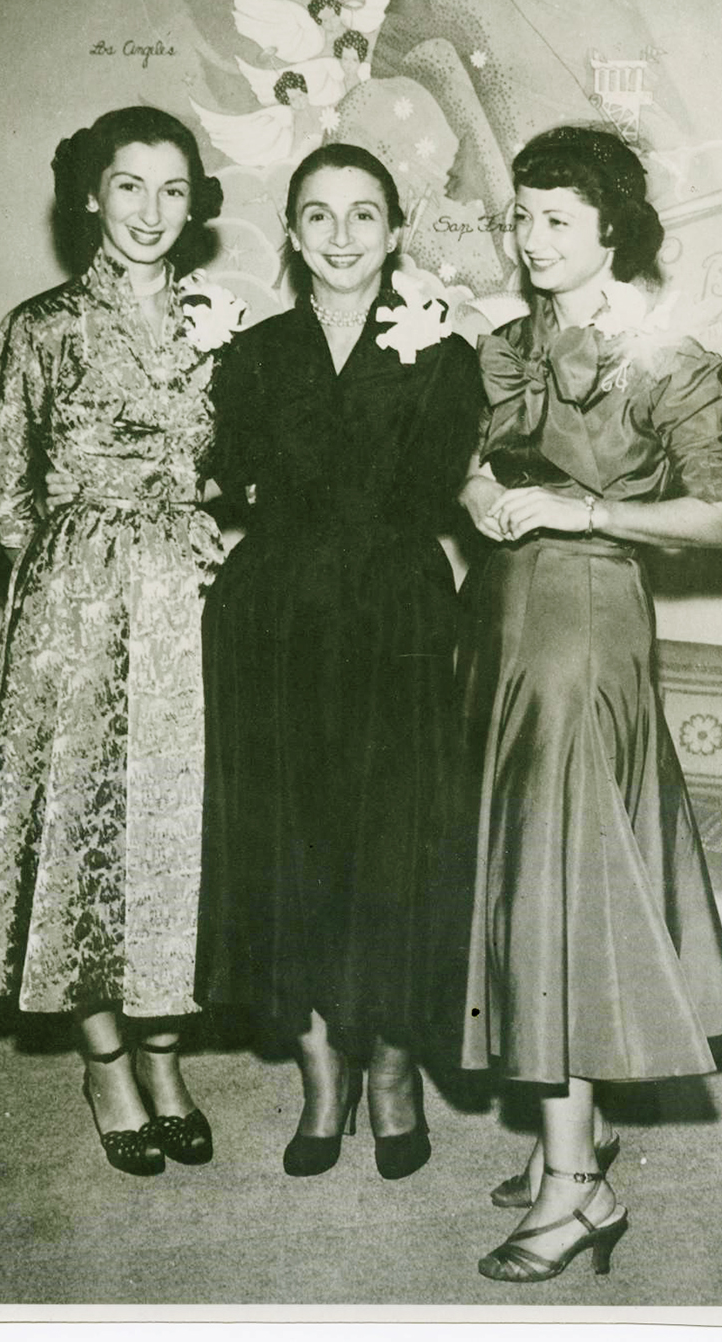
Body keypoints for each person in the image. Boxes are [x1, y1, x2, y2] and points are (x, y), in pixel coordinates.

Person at [457, 124, 722, 1281]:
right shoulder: (508, 343)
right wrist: (479, 490)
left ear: (611, 228)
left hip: (587, 627)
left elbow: (717, 519)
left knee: (560, 890)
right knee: (533, 876)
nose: (531, 240)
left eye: (557, 221)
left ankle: (578, 1189)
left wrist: (579, 515)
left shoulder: (668, 353)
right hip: (505, 626)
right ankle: (567, 1135)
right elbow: (484, 461)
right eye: (522, 217)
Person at [0, 106, 243, 1177]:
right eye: (130, 187)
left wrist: (204, 536)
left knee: (177, 831)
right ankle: (104, 1057)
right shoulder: (37, 328)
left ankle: (166, 1051)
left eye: (173, 191)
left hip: (193, 603)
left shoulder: (221, 321)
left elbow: (250, 463)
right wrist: (74, 576)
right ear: (90, 192)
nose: (151, 213)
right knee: (84, 826)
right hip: (75, 608)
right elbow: (6, 496)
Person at [193, 143, 483, 1180]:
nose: (343, 235)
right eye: (319, 215)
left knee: (398, 847)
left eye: (366, 215)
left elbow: (430, 486)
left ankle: (396, 1071)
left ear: (398, 230)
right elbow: (234, 478)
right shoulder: (255, 353)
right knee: (290, 849)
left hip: (394, 621)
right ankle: (323, 1075)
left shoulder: (446, 351)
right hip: (275, 623)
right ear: (294, 232)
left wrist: (309, 495)